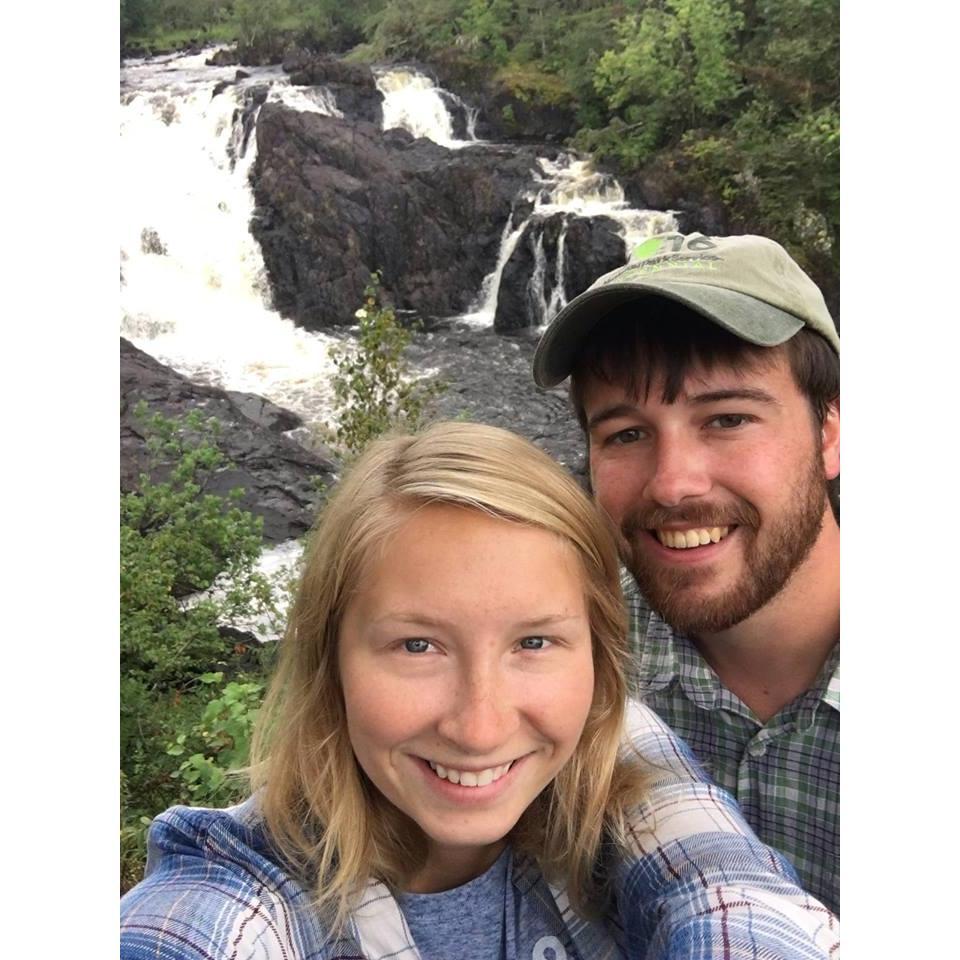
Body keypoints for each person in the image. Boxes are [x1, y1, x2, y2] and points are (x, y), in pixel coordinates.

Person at [120, 422, 839, 959]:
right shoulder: (247, 883)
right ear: (328, 660)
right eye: (418, 645)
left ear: (598, 661)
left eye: (533, 643)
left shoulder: (616, 749)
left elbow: (728, 894)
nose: (481, 725)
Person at [532, 231, 840, 915]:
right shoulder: (567, 650)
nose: (673, 485)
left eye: (727, 418)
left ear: (831, 433)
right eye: (626, 434)